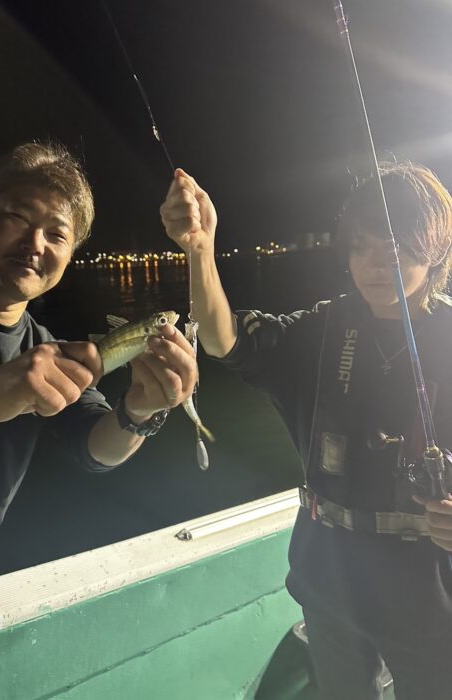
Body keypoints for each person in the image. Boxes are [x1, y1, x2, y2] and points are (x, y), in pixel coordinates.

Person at [161, 162, 452, 700]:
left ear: (434, 248)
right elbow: (228, 341)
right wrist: (200, 248)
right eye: (361, 246)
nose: (374, 263)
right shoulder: (324, 328)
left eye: (394, 248)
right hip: (331, 580)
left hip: (433, 594)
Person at [0, 142, 198, 700]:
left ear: (69, 255)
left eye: (56, 234)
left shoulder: (43, 349)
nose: (35, 244)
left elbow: (95, 447)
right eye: (16, 217)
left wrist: (142, 409)